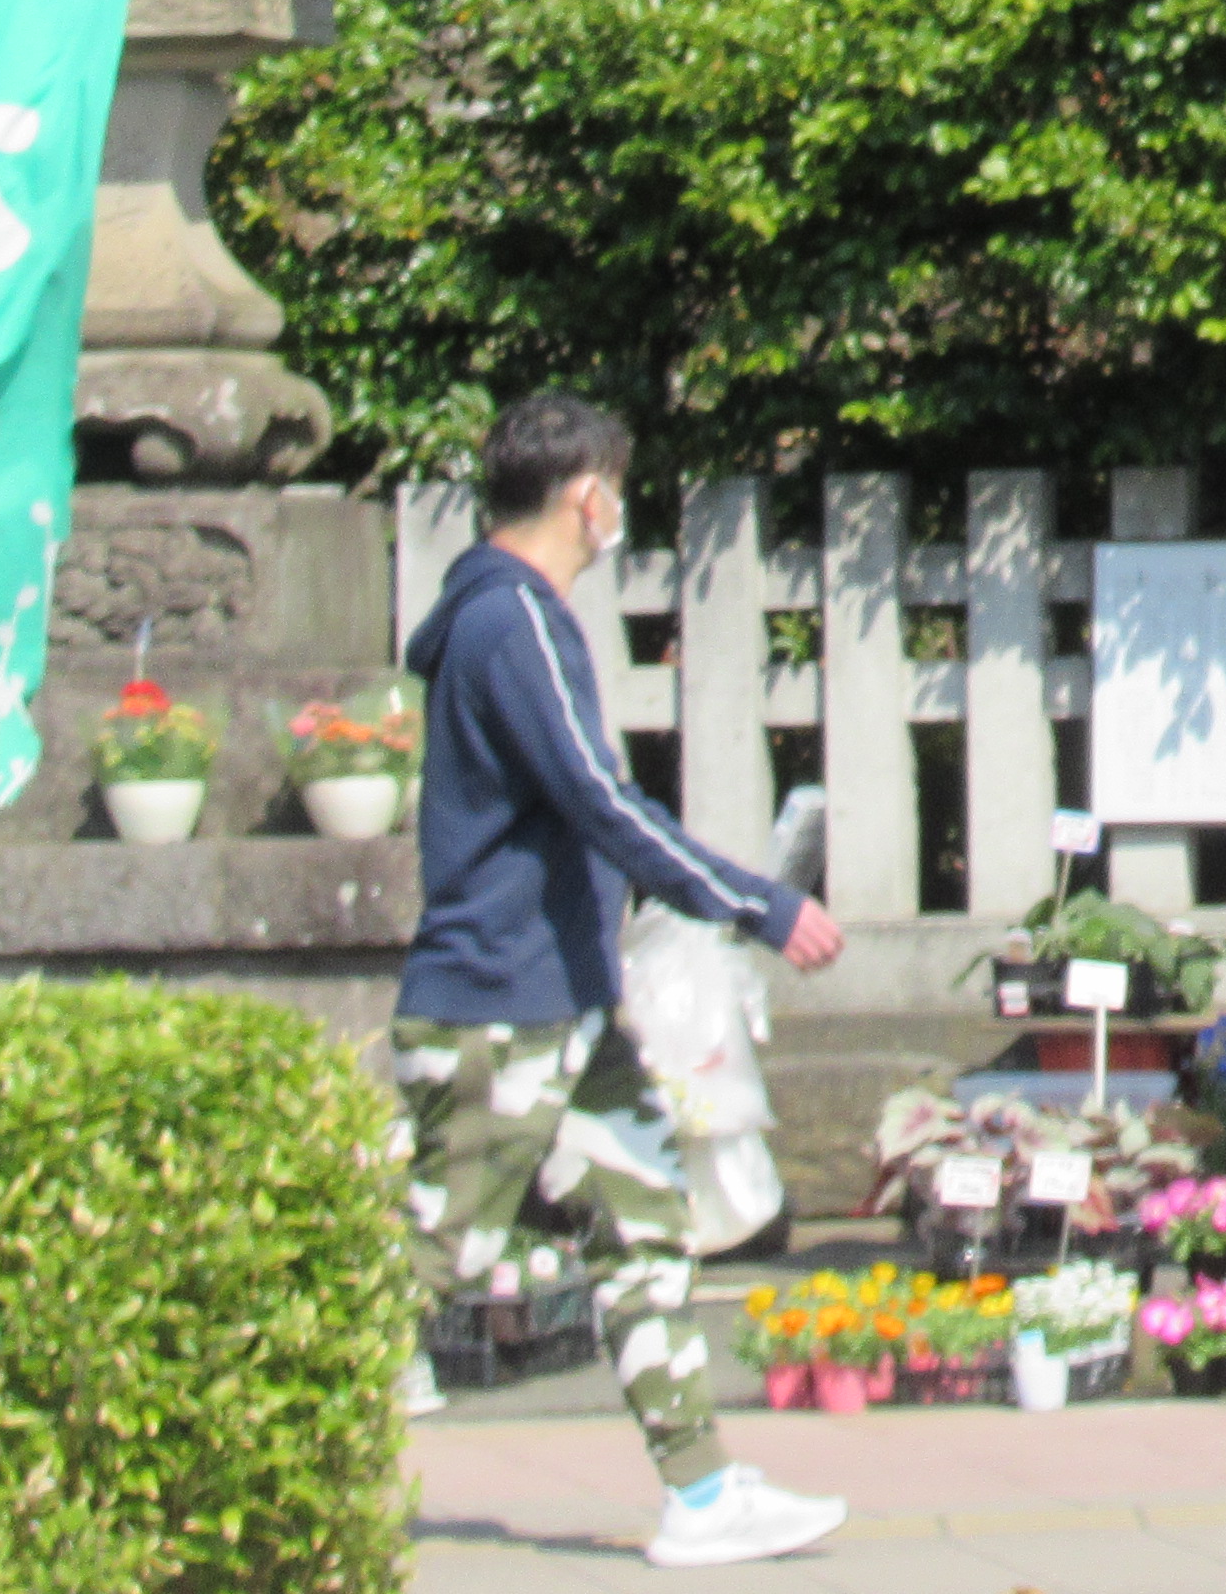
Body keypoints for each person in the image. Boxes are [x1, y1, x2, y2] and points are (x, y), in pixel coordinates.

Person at [395, 392, 850, 1572]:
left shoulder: (492, 619)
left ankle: (700, 1493)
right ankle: (241, 1445)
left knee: (647, 1230)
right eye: (617, 494)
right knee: (418, 1262)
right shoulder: (518, 626)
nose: (619, 516)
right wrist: (758, 903)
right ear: (588, 497)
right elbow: (599, 800)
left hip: (560, 1000)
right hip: (502, 1005)